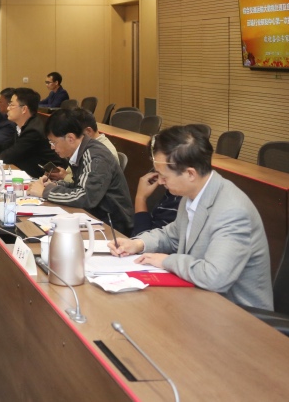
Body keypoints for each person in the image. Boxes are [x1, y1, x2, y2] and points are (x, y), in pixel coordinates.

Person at [110, 125, 273, 310]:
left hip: (238, 314)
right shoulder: (193, 194)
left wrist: (166, 261)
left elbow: (214, 277)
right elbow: (171, 235)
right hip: (199, 299)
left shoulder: (233, 211)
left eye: (164, 176)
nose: (160, 182)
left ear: (190, 174)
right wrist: (137, 244)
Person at [28, 109, 134, 234]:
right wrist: (54, 185)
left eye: (54, 142)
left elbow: (86, 197)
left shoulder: (95, 156)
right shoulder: (80, 152)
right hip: (93, 217)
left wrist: (45, 192)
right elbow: (78, 185)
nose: (52, 147)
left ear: (70, 138)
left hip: (113, 227)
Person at [0, 88, 63, 178]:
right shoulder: (21, 126)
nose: (8, 108)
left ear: (24, 109)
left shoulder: (33, 131)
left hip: (48, 177)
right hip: (32, 173)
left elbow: (8, 156)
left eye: (11, 105)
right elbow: (7, 148)